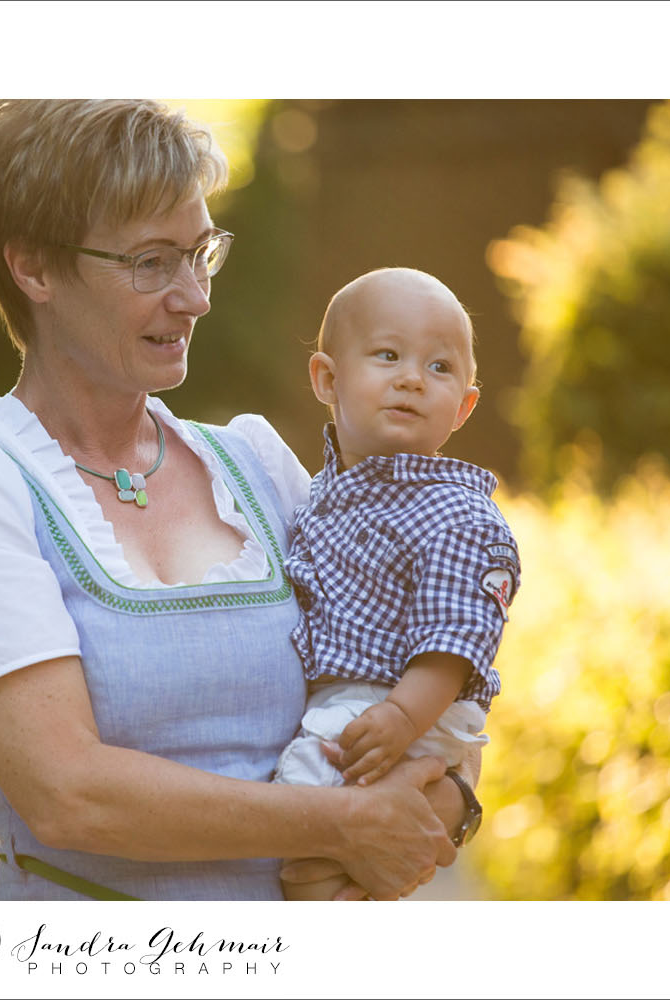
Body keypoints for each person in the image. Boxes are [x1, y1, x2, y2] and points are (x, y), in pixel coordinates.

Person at [0, 100, 474, 901]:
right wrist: (339, 828)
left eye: (201, 254)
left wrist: (448, 801)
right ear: (34, 269)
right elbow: (70, 795)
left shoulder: (258, 466)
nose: (195, 296)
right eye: (152, 263)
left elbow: (421, 658)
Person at [273, 268, 521, 900]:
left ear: (464, 406)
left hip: (401, 698)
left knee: (305, 797)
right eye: (388, 356)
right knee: (318, 821)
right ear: (327, 378)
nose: (412, 377)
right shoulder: (324, 495)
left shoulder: (455, 513)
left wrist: (402, 717)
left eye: (439, 368)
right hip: (362, 697)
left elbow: (457, 640)